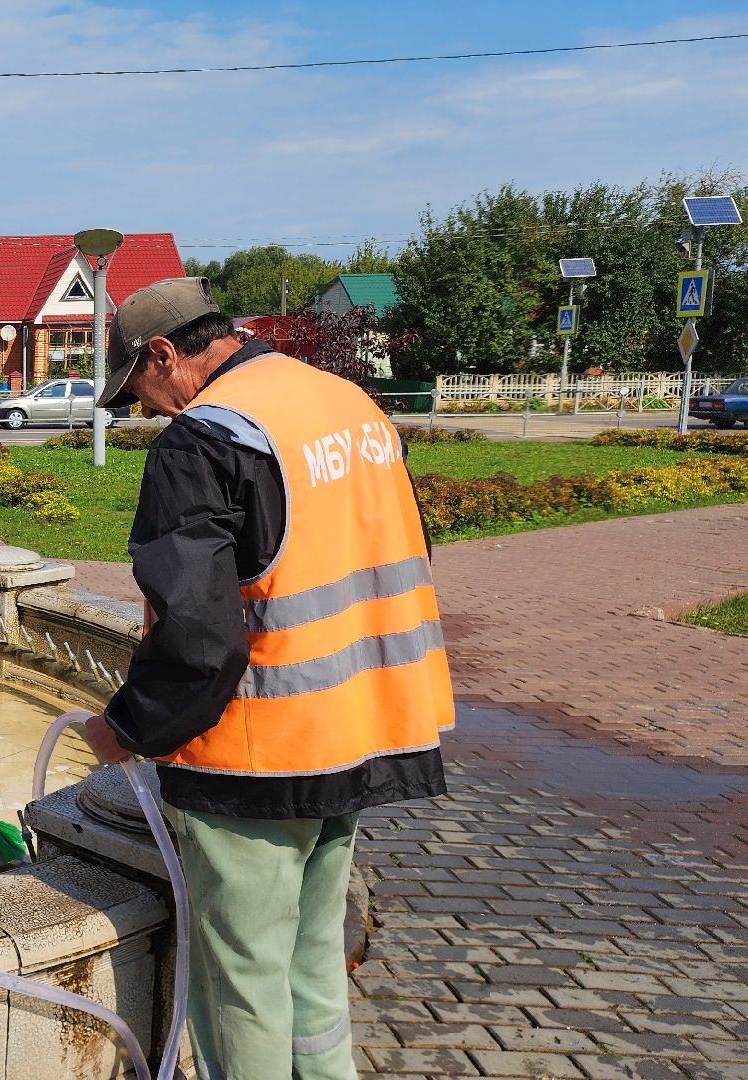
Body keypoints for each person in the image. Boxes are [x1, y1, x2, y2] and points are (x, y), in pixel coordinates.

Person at [80, 278, 452, 1080]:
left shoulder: (205, 439)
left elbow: (197, 637)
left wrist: (128, 727)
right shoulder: (348, 405)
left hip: (255, 758)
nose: (146, 410)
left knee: (241, 985)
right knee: (314, 962)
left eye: (139, 388)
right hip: (358, 731)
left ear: (165, 353)